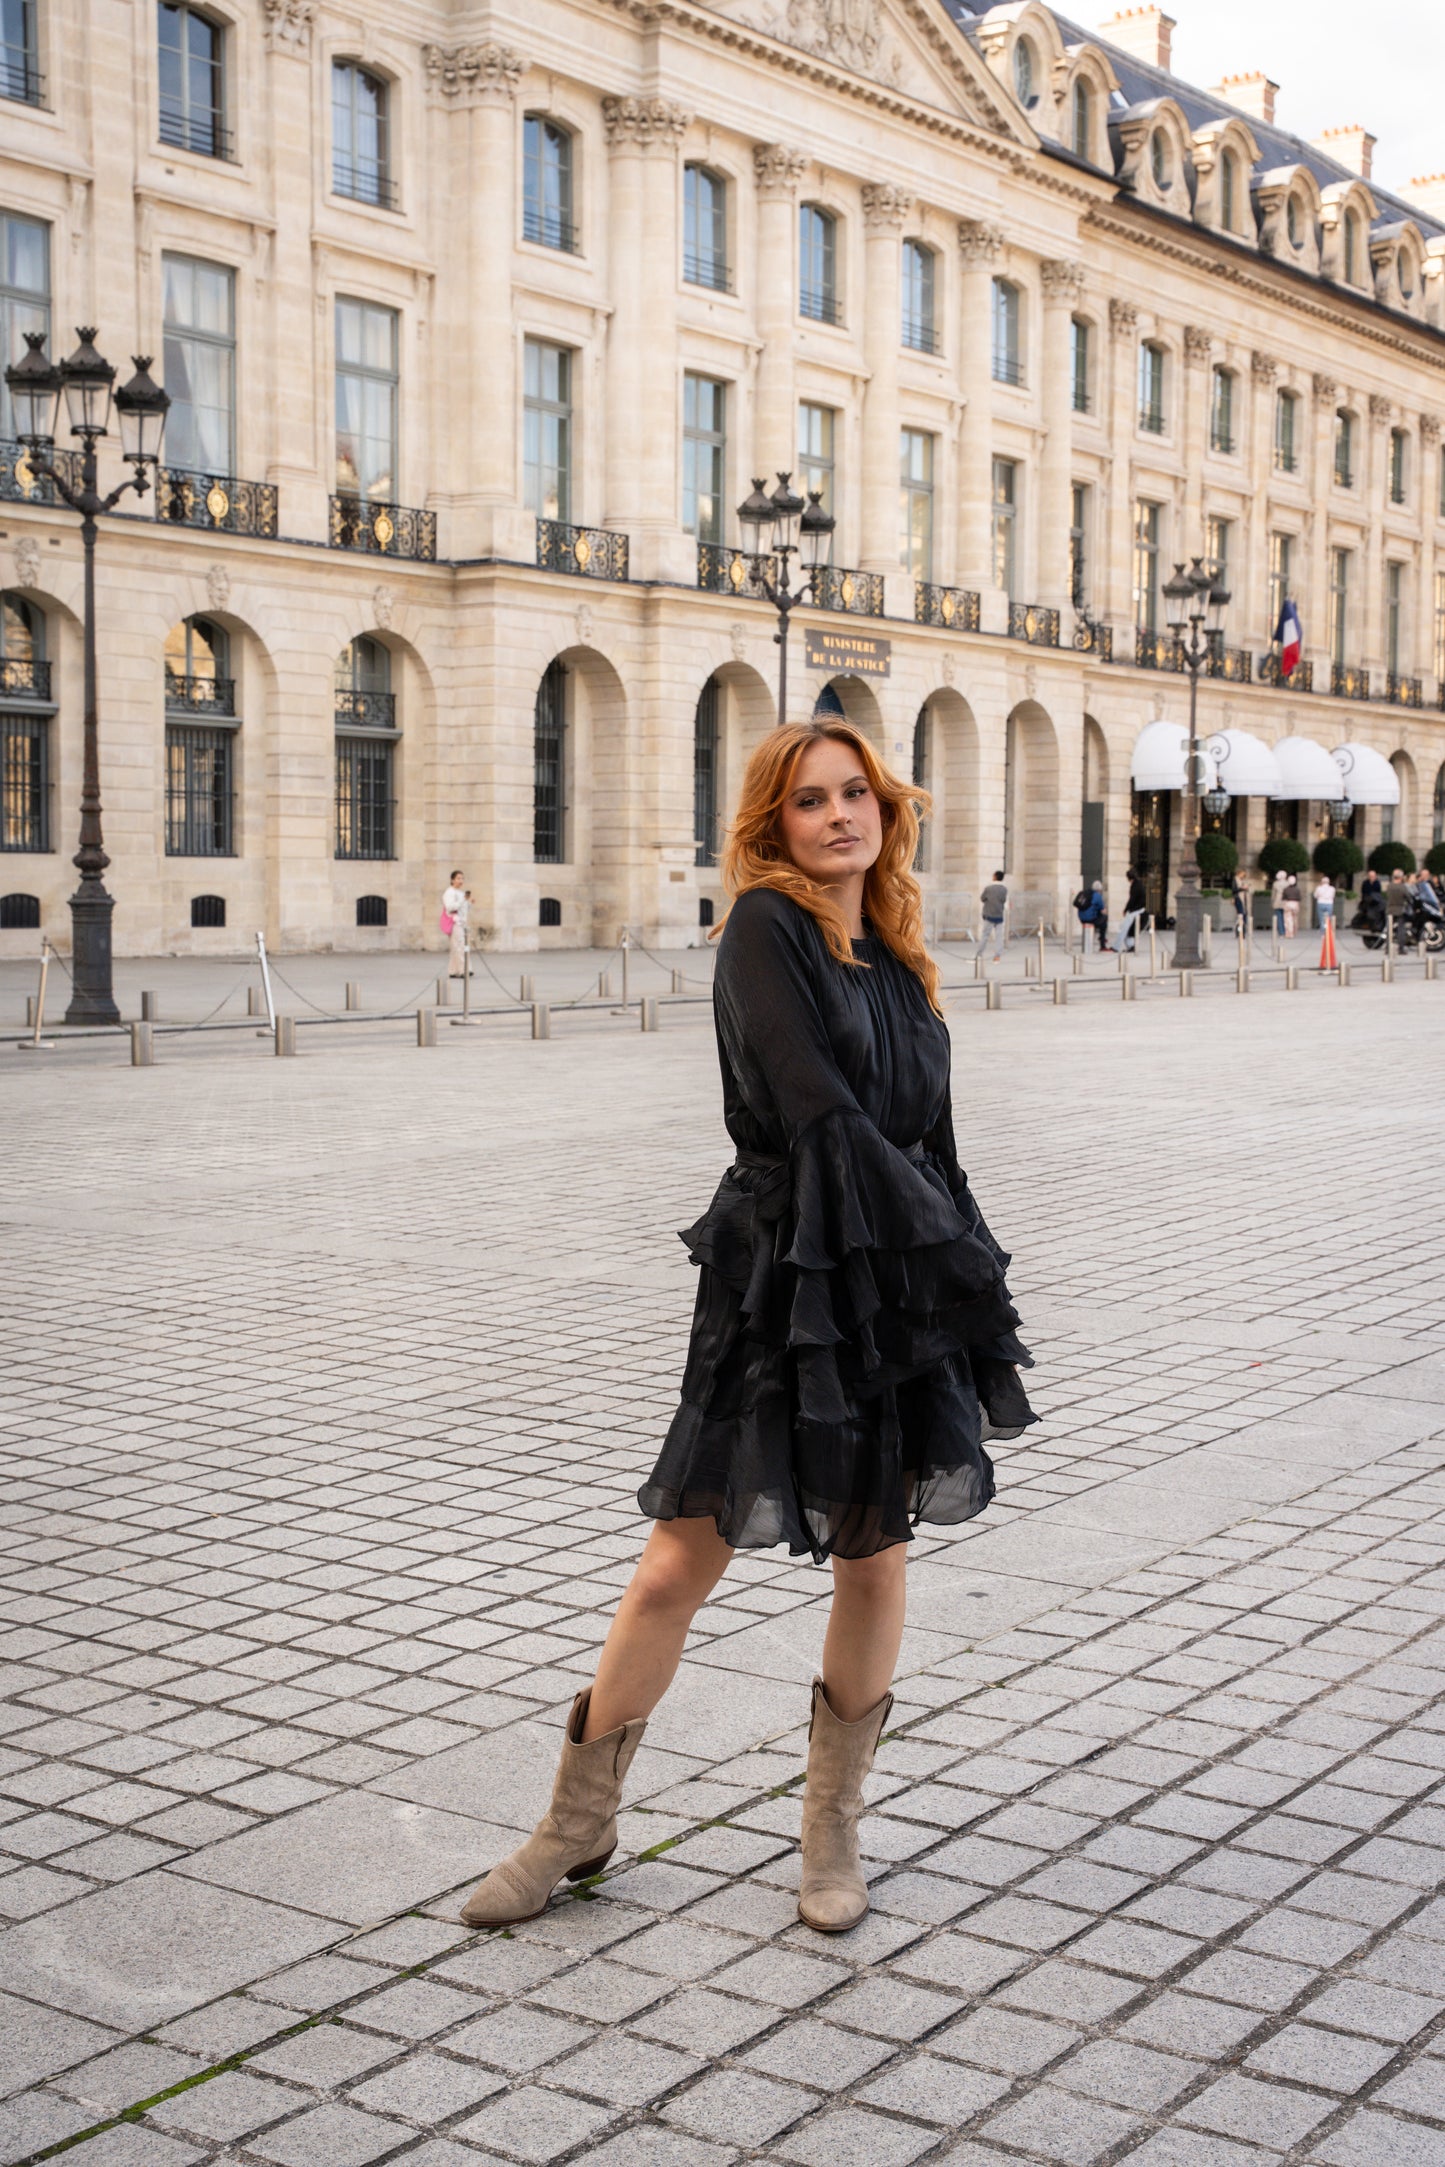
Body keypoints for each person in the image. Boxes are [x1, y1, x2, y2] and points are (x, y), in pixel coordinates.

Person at [457, 720, 1036, 1937]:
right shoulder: (766, 929)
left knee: (875, 1554)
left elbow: (927, 1133)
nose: (839, 814)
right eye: (810, 799)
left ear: (884, 807)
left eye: (856, 793)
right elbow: (815, 1108)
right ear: (773, 823)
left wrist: (955, 1269)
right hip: (787, 1274)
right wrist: (920, 1238)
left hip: (889, 1274)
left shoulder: (895, 948)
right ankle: (575, 1821)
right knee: (680, 1553)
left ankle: (829, 1826)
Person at [1109, 868, 1147, 953]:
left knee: (1123, 929)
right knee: (1127, 929)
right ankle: (1131, 945)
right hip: (1138, 910)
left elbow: (1131, 899)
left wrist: (1126, 909)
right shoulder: (1139, 884)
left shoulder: (1135, 886)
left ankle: (1116, 947)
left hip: (1134, 911)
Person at [442, 870, 467, 977]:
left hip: (461, 922)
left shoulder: (460, 893)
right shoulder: (449, 892)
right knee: (459, 946)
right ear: (452, 880)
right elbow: (449, 907)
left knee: (457, 946)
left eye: (462, 878)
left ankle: (453, 970)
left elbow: (464, 909)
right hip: (454, 921)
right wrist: (461, 902)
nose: (461, 880)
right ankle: (461, 970)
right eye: (458, 878)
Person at [979, 870, 1008, 962]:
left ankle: (979, 954)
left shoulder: (989, 888)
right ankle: (997, 956)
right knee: (999, 937)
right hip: (999, 915)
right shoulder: (1004, 889)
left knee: (985, 936)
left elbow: (982, 898)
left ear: (995, 876)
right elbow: (1003, 900)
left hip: (989, 914)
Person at [1075, 879, 1107, 954]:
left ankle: (1099, 936)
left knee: (1098, 914)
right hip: (1090, 920)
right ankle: (1102, 943)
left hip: (1082, 919)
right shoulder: (1098, 896)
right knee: (1104, 918)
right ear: (1099, 890)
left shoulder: (1086, 894)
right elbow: (1103, 910)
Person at [1282, 873, 1301, 941]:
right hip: (1295, 903)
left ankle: (1289, 933)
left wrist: (1284, 905)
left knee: (1287, 919)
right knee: (1295, 918)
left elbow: (1283, 898)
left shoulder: (1286, 889)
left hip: (1288, 903)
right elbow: (1299, 898)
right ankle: (1294, 931)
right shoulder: (1297, 889)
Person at [1271, 868, 1289, 938]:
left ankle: (1281, 933)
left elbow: (1273, 894)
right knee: (1286, 918)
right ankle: (1287, 931)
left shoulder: (1275, 883)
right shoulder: (1287, 883)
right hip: (1286, 901)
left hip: (1277, 901)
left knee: (1279, 917)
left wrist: (1272, 902)